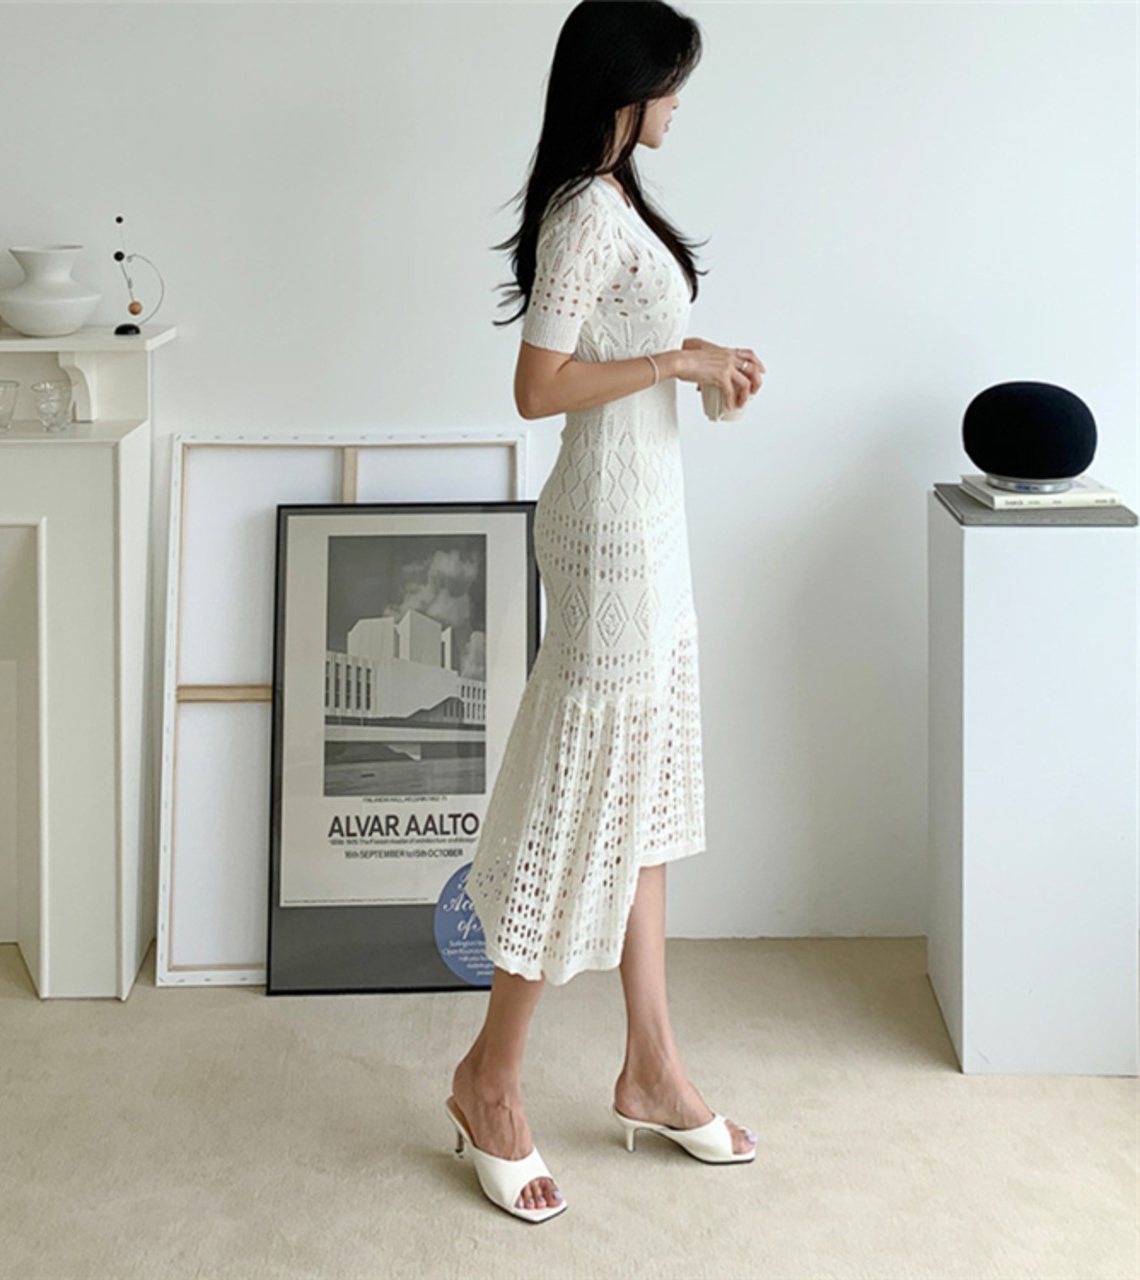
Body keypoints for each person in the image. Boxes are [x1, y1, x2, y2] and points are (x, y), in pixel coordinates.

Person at [446, 0, 767, 1223]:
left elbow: (620, 349)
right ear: (623, 88)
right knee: (575, 807)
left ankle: (651, 1064)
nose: (680, 102)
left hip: (651, 525)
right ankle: (488, 1078)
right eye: (670, 82)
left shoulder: (618, 196)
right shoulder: (585, 209)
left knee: (641, 800)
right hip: (607, 536)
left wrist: (703, 358)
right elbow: (537, 387)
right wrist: (677, 362)